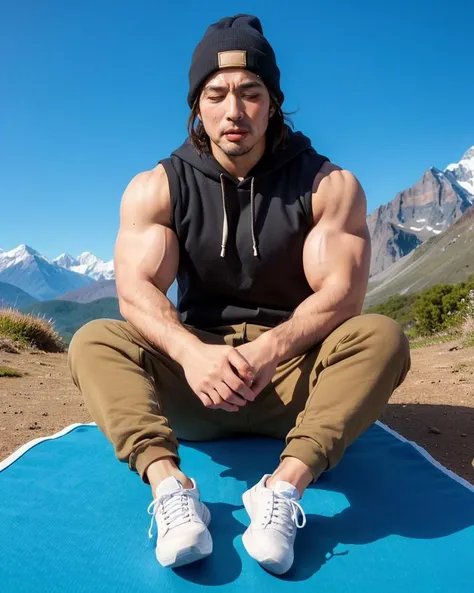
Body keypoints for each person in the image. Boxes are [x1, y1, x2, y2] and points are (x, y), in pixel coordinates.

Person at [68, 13, 411, 575]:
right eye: (217, 93)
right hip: (197, 381)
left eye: (251, 93)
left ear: (273, 102)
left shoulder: (328, 185)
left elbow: (343, 297)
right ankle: (171, 487)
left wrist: (270, 350)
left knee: (382, 337)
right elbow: (134, 291)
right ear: (197, 105)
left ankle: (283, 488)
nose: (234, 111)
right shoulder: (157, 187)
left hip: (292, 379)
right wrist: (190, 353)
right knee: (95, 340)